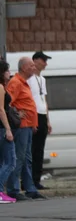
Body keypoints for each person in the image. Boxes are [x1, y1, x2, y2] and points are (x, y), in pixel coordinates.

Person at [6, 57, 45, 201]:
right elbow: (7, 102)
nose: (34, 68)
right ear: (23, 68)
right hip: (21, 127)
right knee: (19, 158)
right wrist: (17, 112)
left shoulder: (25, 83)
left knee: (27, 159)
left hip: (28, 126)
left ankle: (30, 189)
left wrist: (33, 123)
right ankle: (13, 189)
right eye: (31, 66)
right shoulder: (16, 83)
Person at [29, 51, 52, 190]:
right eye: (43, 60)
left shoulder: (42, 79)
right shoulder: (29, 79)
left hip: (42, 114)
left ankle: (36, 179)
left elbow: (44, 99)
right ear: (35, 60)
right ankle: (28, 180)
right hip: (34, 114)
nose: (45, 63)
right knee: (32, 149)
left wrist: (48, 120)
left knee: (40, 149)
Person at [0, 60, 16, 203]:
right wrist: (8, 129)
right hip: (2, 128)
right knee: (11, 161)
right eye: (7, 71)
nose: (9, 73)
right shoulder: (0, 87)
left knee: (3, 161)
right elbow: (1, 109)